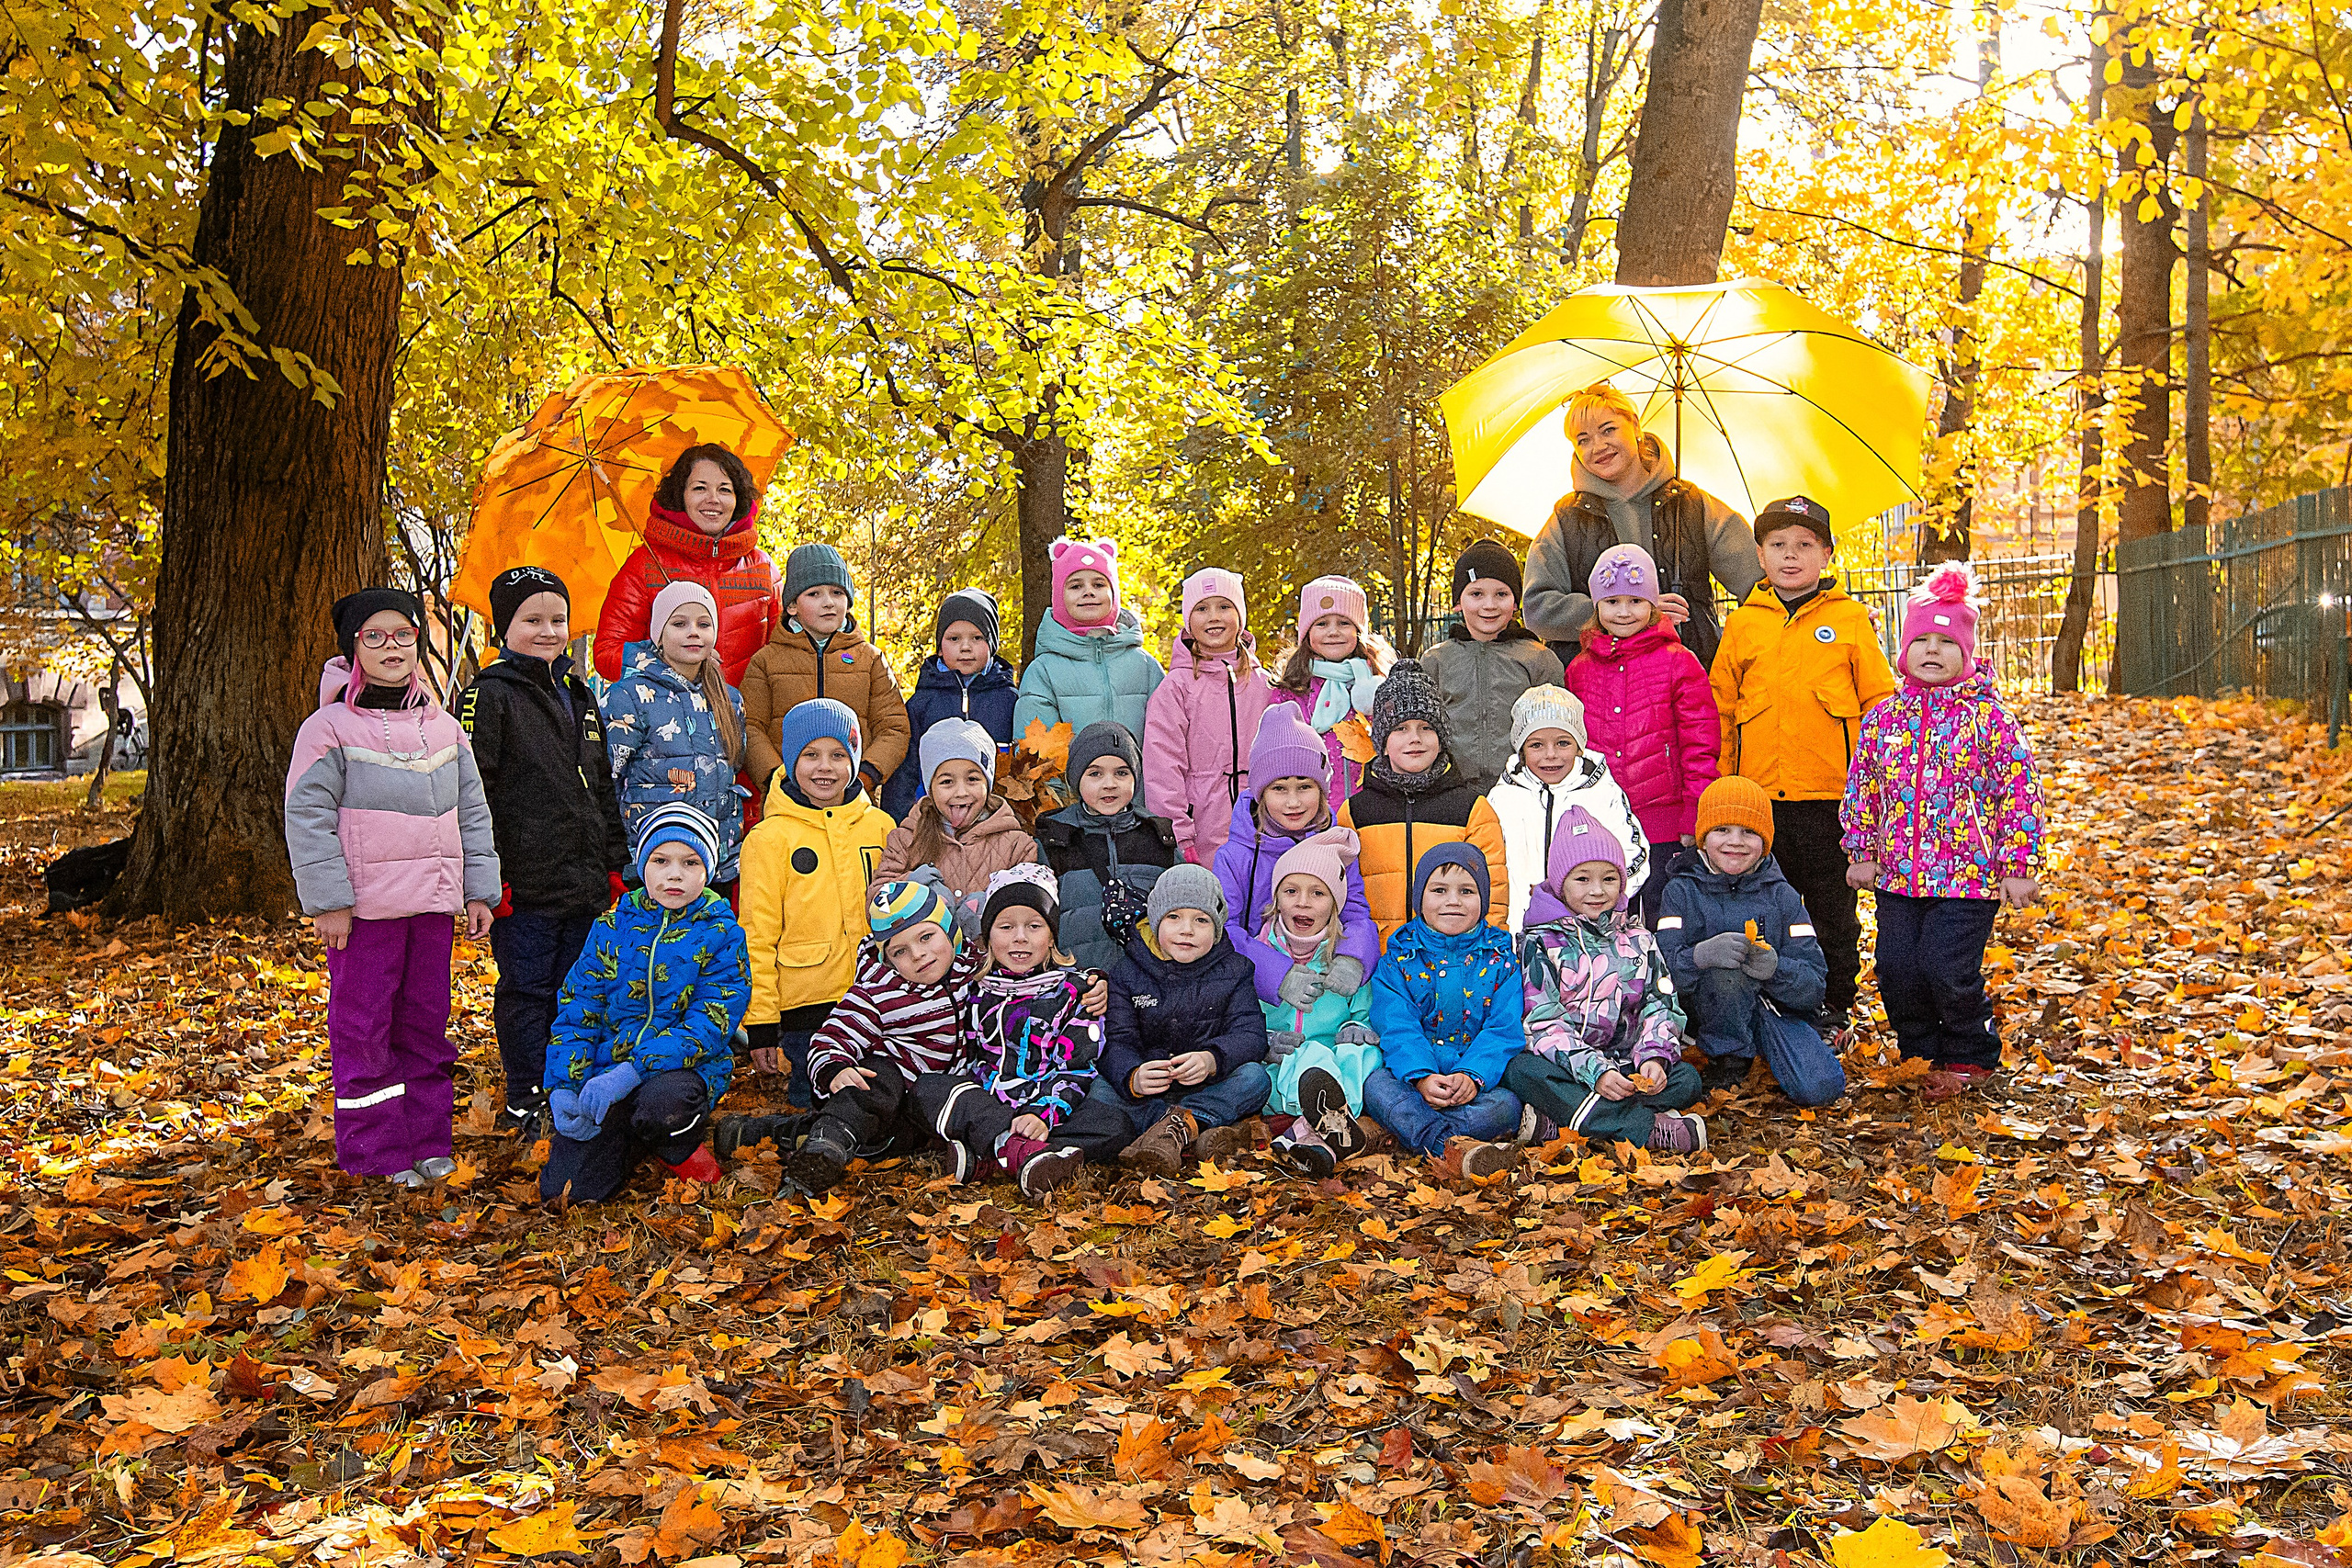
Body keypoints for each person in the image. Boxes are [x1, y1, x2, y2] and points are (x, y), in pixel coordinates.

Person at [285, 589, 498, 1188]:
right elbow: (307, 817)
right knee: (365, 1029)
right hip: (366, 912)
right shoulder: (327, 729)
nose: (391, 648)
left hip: (430, 905)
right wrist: (328, 900)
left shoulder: (445, 728)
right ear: (353, 647)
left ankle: (428, 1140)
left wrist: (478, 889)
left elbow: (473, 815)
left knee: (426, 1026)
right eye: (373, 637)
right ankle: (375, 1149)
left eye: (403, 635)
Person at [1841, 564, 2046, 1100]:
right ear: (1904, 650)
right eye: (1921, 641)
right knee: (1897, 966)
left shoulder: (1992, 720)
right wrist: (1861, 849)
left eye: (1946, 641)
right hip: (1897, 876)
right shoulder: (1883, 719)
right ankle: (1919, 1051)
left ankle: (1968, 1053)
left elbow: (2020, 795)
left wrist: (2018, 867)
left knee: (1946, 967)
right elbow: (1863, 788)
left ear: (1968, 651)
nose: (1932, 651)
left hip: (1968, 878)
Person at [1710, 495, 1896, 1036]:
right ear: (1761, 556)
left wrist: (1876, 788)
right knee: (1768, 901)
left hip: (1832, 795)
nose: (1791, 557)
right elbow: (1722, 706)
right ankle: (1774, 996)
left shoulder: (1848, 619)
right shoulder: (1744, 623)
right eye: (1777, 545)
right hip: (1760, 797)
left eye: (1804, 545)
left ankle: (1835, 996)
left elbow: (1879, 705)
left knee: (1830, 903)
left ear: (1827, 553)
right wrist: (1725, 787)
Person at [458, 567, 630, 1134]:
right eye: (532, 620)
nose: (549, 631)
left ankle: (569, 1082)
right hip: (523, 882)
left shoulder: (580, 694)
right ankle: (526, 1093)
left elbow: (601, 784)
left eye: (558, 619)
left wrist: (612, 863)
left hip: (582, 879)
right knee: (527, 990)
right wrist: (488, 874)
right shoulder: (490, 695)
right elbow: (473, 788)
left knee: (578, 988)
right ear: (505, 627)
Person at [715, 874, 973, 1193]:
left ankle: (766, 1133)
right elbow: (831, 1036)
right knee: (875, 1078)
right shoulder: (877, 994)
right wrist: (836, 1068)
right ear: (887, 958)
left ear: (949, 930)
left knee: (880, 1144)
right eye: (900, 951)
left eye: (926, 937)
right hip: (880, 1097)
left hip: (927, 1108)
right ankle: (825, 1148)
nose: (918, 954)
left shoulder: (972, 974)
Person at [540, 806, 747, 1203]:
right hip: (607, 1069)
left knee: (662, 1107)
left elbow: (709, 1021)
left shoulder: (723, 934)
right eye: (660, 861)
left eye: (690, 862)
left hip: (682, 1071)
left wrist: (631, 1074)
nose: (674, 874)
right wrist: (565, 1086)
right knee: (565, 1193)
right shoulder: (610, 927)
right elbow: (578, 1008)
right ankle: (630, 1138)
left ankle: (676, 1144)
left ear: (708, 870)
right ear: (641, 864)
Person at [1521, 382, 1762, 669]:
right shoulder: (1567, 518)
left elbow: (1760, 587)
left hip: (1690, 688)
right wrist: (1628, 611)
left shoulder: (1693, 505)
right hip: (1598, 693)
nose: (1598, 446)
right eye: (1583, 440)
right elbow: (1538, 610)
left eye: (1608, 430)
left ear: (1634, 426)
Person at [1507, 807, 1705, 1153]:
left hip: (1626, 1063)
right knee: (1521, 1072)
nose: (1597, 891)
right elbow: (1541, 1022)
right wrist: (1594, 1072)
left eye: (1609, 879)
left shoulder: (1640, 939)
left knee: (1687, 1080)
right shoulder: (1538, 943)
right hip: (1566, 1065)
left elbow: (1660, 1007)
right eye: (1582, 879)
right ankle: (1647, 1130)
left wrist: (1653, 1058)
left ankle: (1559, 1121)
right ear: (1560, 883)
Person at [1067, 865, 1272, 1177]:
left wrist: (1211, 1059)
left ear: (1216, 929)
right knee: (1098, 1089)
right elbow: (1117, 1039)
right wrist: (1134, 1076)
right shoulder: (1126, 971)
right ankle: (1190, 1128)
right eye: (1174, 917)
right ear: (1155, 920)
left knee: (1256, 1079)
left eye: (1201, 920)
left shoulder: (1236, 969)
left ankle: (1180, 1126)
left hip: (1208, 1083)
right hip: (1150, 1089)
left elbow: (1251, 1034)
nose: (1186, 930)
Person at [739, 699, 894, 1105]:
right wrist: (762, 1023)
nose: (825, 767)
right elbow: (757, 935)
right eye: (810, 755)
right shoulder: (769, 839)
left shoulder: (880, 826)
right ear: (791, 760)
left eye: (839, 755)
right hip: (806, 1005)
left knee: (872, 1100)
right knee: (814, 1104)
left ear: (855, 760)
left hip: (875, 996)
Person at [912, 865, 1100, 1198]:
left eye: (1034, 926)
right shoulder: (971, 987)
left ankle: (987, 1154)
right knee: (927, 1088)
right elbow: (964, 1055)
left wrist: (1043, 1114)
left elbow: (1078, 1067)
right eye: (1006, 926)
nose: (1020, 937)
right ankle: (1013, 1149)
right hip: (985, 1103)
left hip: (1044, 1104)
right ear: (987, 936)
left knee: (1113, 1126)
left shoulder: (1074, 992)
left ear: (1052, 935)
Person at [1656, 777, 1847, 1105]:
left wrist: (1775, 968)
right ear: (1702, 838)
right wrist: (1699, 957)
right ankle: (1728, 1060)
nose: (1736, 842)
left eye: (1749, 832)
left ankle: (1770, 1047)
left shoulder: (1783, 896)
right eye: (1722, 830)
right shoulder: (1679, 891)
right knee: (1725, 973)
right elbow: (1658, 980)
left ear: (1766, 840)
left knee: (1821, 1087)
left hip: (1772, 1009)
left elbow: (1814, 985)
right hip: (1703, 1013)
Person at [1562, 544, 1719, 919]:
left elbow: (1701, 743)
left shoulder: (1679, 662)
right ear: (1597, 607)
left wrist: (1693, 813)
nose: (1623, 612)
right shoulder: (1579, 670)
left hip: (1663, 824)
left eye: (1635, 600)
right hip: (1602, 820)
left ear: (1652, 604)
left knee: (1665, 919)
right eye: (1612, 601)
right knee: (1609, 920)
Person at [1362, 844, 1528, 1179]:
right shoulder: (1400, 956)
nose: (1453, 901)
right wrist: (1420, 1075)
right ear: (1419, 898)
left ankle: (1405, 1131)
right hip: (1412, 1079)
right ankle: (1451, 1146)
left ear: (1483, 899)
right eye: (1439, 890)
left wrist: (1472, 1075)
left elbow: (1503, 1027)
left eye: (1467, 891)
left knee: (1507, 1107)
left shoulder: (1500, 958)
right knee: (1376, 1085)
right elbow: (1397, 1023)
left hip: (1476, 1083)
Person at [1214, 705, 1379, 1006]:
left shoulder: (1336, 845)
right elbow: (1224, 930)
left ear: (1322, 790)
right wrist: (1276, 975)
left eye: (1304, 787)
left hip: (1324, 994)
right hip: (1252, 996)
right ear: (1261, 793)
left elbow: (1355, 910)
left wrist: (1353, 957)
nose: (1293, 803)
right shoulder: (1234, 857)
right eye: (1279, 788)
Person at [1339, 660, 1509, 943]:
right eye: (1401, 729)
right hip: (1376, 962)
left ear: (1441, 738)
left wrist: (1485, 954)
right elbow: (1341, 894)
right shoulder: (1356, 811)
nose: (1414, 739)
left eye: (1426, 727)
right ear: (1382, 740)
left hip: (1455, 962)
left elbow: (1494, 894)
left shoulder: (1471, 810)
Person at [594, 444, 780, 684]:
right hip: (670, 716)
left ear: (738, 498)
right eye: (699, 488)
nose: (713, 500)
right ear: (680, 494)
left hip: (746, 716)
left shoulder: (762, 567)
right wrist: (670, 664)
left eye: (724, 490)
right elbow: (607, 652)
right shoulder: (645, 565)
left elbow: (781, 651)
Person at [604, 581, 750, 887]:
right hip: (654, 864)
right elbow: (607, 779)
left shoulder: (729, 699)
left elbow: (732, 768)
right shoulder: (628, 696)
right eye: (679, 623)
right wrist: (616, 857)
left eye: (704, 623)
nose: (693, 632)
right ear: (659, 634)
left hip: (716, 864)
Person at [741, 543, 911, 804]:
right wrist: (781, 780)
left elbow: (894, 727)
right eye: (814, 594)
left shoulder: (871, 660)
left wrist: (865, 777)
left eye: (837, 592)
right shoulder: (766, 662)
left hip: (855, 803)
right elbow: (750, 728)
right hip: (788, 803)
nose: (829, 603)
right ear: (792, 606)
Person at [1255, 828, 1382, 1178]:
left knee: (1363, 1053)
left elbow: (1365, 1011)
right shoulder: (1263, 955)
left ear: (1335, 904)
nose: (1303, 902)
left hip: (1340, 1072)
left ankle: (1316, 1135)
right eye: (1291, 891)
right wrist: (1264, 1040)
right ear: (1276, 898)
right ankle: (1331, 1125)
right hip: (1286, 1070)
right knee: (1313, 1055)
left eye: (1317, 893)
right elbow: (1244, 1016)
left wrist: (1358, 1027)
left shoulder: (1345, 957)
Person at [1487, 686, 1647, 933]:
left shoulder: (1602, 792)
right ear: (1520, 750)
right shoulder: (1503, 797)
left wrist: (1592, 894)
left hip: (1590, 935)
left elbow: (1635, 855)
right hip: (1515, 929)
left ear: (1579, 746)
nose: (1550, 755)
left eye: (1562, 743)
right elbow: (1490, 863)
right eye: (1536, 745)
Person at [1143, 568, 1275, 865]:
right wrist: (1178, 835)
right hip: (1201, 831)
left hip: (1265, 828)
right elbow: (1163, 769)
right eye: (1202, 608)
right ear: (1188, 621)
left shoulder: (1264, 685)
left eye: (1224, 607)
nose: (1214, 617)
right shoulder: (1176, 687)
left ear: (1240, 617)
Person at [873, 718, 1039, 937]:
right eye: (947, 782)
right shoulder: (906, 839)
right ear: (930, 789)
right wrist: (910, 885)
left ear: (987, 784)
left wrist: (994, 906)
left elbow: (1034, 910)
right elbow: (876, 905)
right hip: (923, 966)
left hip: (994, 967)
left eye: (972, 779)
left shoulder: (1017, 844)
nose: (961, 792)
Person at [1420, 540, 1565, 793]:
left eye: (1501, 594)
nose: (1489, 605)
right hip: (1453, 791)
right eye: (1476, 594)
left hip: (1523, 791)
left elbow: (1558, 728)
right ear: (1458, 602)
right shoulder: (1436, 662)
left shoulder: (1539, 660)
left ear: (1515, 601)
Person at [1038, 722, 1180, 973]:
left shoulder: (1158, 837)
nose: (1110, 784)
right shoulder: (1055, 840)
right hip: (1077, 982)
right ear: (1076, 779)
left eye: (1122, 773)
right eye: (1095, 774)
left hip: (1147, 983)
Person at [887, 587, 1019, 821]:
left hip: (995, 820)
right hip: (932, 820)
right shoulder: (922, 702)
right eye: (954, 638)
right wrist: (901, 820)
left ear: (992, 645)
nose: (965, 647)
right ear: (940, 646)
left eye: (977, 638)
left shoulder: (1009, 700)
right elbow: (905, 771)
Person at [1012, 537, 1165, 739]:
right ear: (1058, 595)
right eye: (1075, 586)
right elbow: (1037, 750)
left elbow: (1166, 738)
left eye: (1099, 584)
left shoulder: (1145, 667)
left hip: (1138, 771)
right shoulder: (1044, 672)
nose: (1088, 592)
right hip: (1069, 771)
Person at [1266, 575, 1392, 807]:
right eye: (1322, 624)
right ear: (1306, 633)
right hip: (1312, 813)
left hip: (1372, 807)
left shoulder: (1378, 683)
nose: (1333, 632)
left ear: (1359, 631)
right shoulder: (1292, 689)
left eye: (1344, 623)